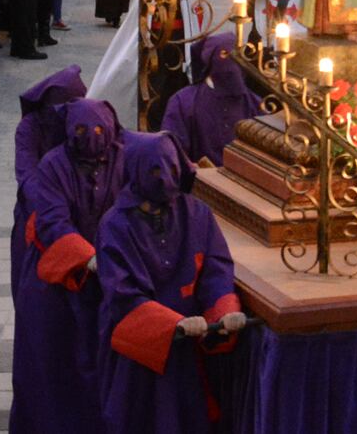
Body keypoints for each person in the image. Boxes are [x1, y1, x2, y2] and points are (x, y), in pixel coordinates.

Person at [97, 132, 246, 434]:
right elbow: (122, 294)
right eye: (155, 171)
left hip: (189, 351)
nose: (165, 179)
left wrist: (223, 310)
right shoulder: (114, 224)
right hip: (138, 351)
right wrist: (173, 325)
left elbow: (216, 268)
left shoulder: (197, 213)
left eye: (171, 169)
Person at [11, 99, 125, 433]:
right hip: (58, 280)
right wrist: (88, 258)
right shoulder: (53, 165)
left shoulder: (124, 157)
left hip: (106, 277)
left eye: (100, 130)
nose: (91, 138)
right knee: (55, 362)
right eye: (81, 131)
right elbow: (52, 220)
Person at [12, 65, 89, 298]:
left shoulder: (82, 124)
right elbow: (27, 176)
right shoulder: (30, 127)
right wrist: (51, 212)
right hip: (36, 217)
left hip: (78, 218)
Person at [161, 33, 260, 167]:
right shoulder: (183, 102)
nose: (233, 60)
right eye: (225, 53)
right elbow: (170, 152)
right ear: (211, 59)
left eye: (237, 54)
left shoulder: (255, 104)